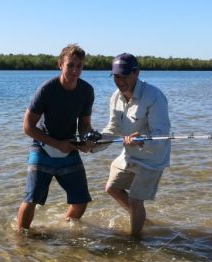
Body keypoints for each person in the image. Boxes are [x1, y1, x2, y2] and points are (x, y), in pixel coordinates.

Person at [17, 44, 94, 232]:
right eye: (70, 65)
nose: (75, 70)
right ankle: (21, 239)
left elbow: (84, 126)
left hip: (68, 148)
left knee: (81, 201)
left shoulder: (87, 91)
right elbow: (28, 126)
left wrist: (86, 140)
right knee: (31, 199)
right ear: (60, 64)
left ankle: (62, 229)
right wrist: (57, 144)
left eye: (79, 66)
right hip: (43, 147)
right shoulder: (47, 89)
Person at [100, 53, 171, 237]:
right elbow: (113, 128)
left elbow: (162, 135)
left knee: (135, 200)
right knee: (112, 188)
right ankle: (143, 221)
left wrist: (141, 140)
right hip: (129, 154)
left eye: (124, 76)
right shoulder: (115, 97)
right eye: (116, 76)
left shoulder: (154, 96)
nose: (120, 81)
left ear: (136, 72)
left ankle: (135, 240)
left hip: (152, 158)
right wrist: (94, 142)